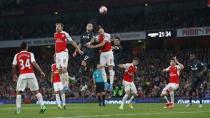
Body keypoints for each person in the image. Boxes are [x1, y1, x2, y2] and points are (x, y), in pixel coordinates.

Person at [12, 42, 46, 114]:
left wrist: (14, 75)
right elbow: (34, 63)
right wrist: (41, 72)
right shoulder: (30, 54)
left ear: (21, 48)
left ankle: (18, 110)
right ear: (26, 47)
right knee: (36, 91)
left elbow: (13, 66)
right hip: (31, 74)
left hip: (22, 75)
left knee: (19, 92)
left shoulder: (17, 55)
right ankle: (42, 106)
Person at [54, 22, 83, 92]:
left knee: (64, 68)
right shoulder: (55, 34)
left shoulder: (65, 34)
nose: (57, 28)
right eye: (56, 27)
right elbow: (56, 44)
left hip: (63, 53)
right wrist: (55, 53)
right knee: (59, 70)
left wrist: (78, 49)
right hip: (57, 54)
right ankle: (64, 86)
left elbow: (72, 42)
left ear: (62, 27)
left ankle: (67, 86)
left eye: (58, 26)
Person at [87, 26, 115, 91]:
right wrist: (89, 42)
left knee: (110, 68)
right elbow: (94, 39)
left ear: (103, 29)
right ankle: (105, 83)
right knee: (101, 68)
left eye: (101, 31)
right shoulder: (98, 36)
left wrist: (93, 46)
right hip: (102, 54)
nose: (100, 32)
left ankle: (111, 84)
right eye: (99, 32)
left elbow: (103, 43)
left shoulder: (107, 35)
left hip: (109, 53)